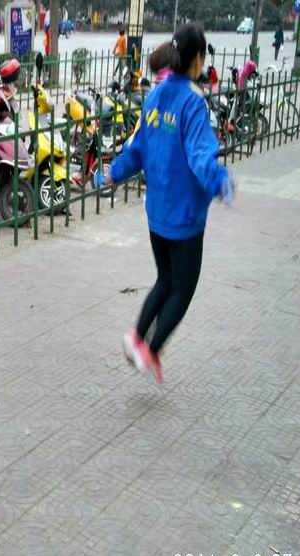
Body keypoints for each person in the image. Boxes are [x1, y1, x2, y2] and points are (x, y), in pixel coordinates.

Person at [94, 23, 235, 383]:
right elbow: (200, 155)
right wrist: (219, 180)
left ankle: (137, 336)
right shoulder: (193, 101)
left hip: (156, 214)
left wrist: (111, 174)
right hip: (184, 218)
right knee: (182, 289)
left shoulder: (155, 96)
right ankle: (150, 349)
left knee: (165, 279)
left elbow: (136, 148)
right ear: (198, 58)